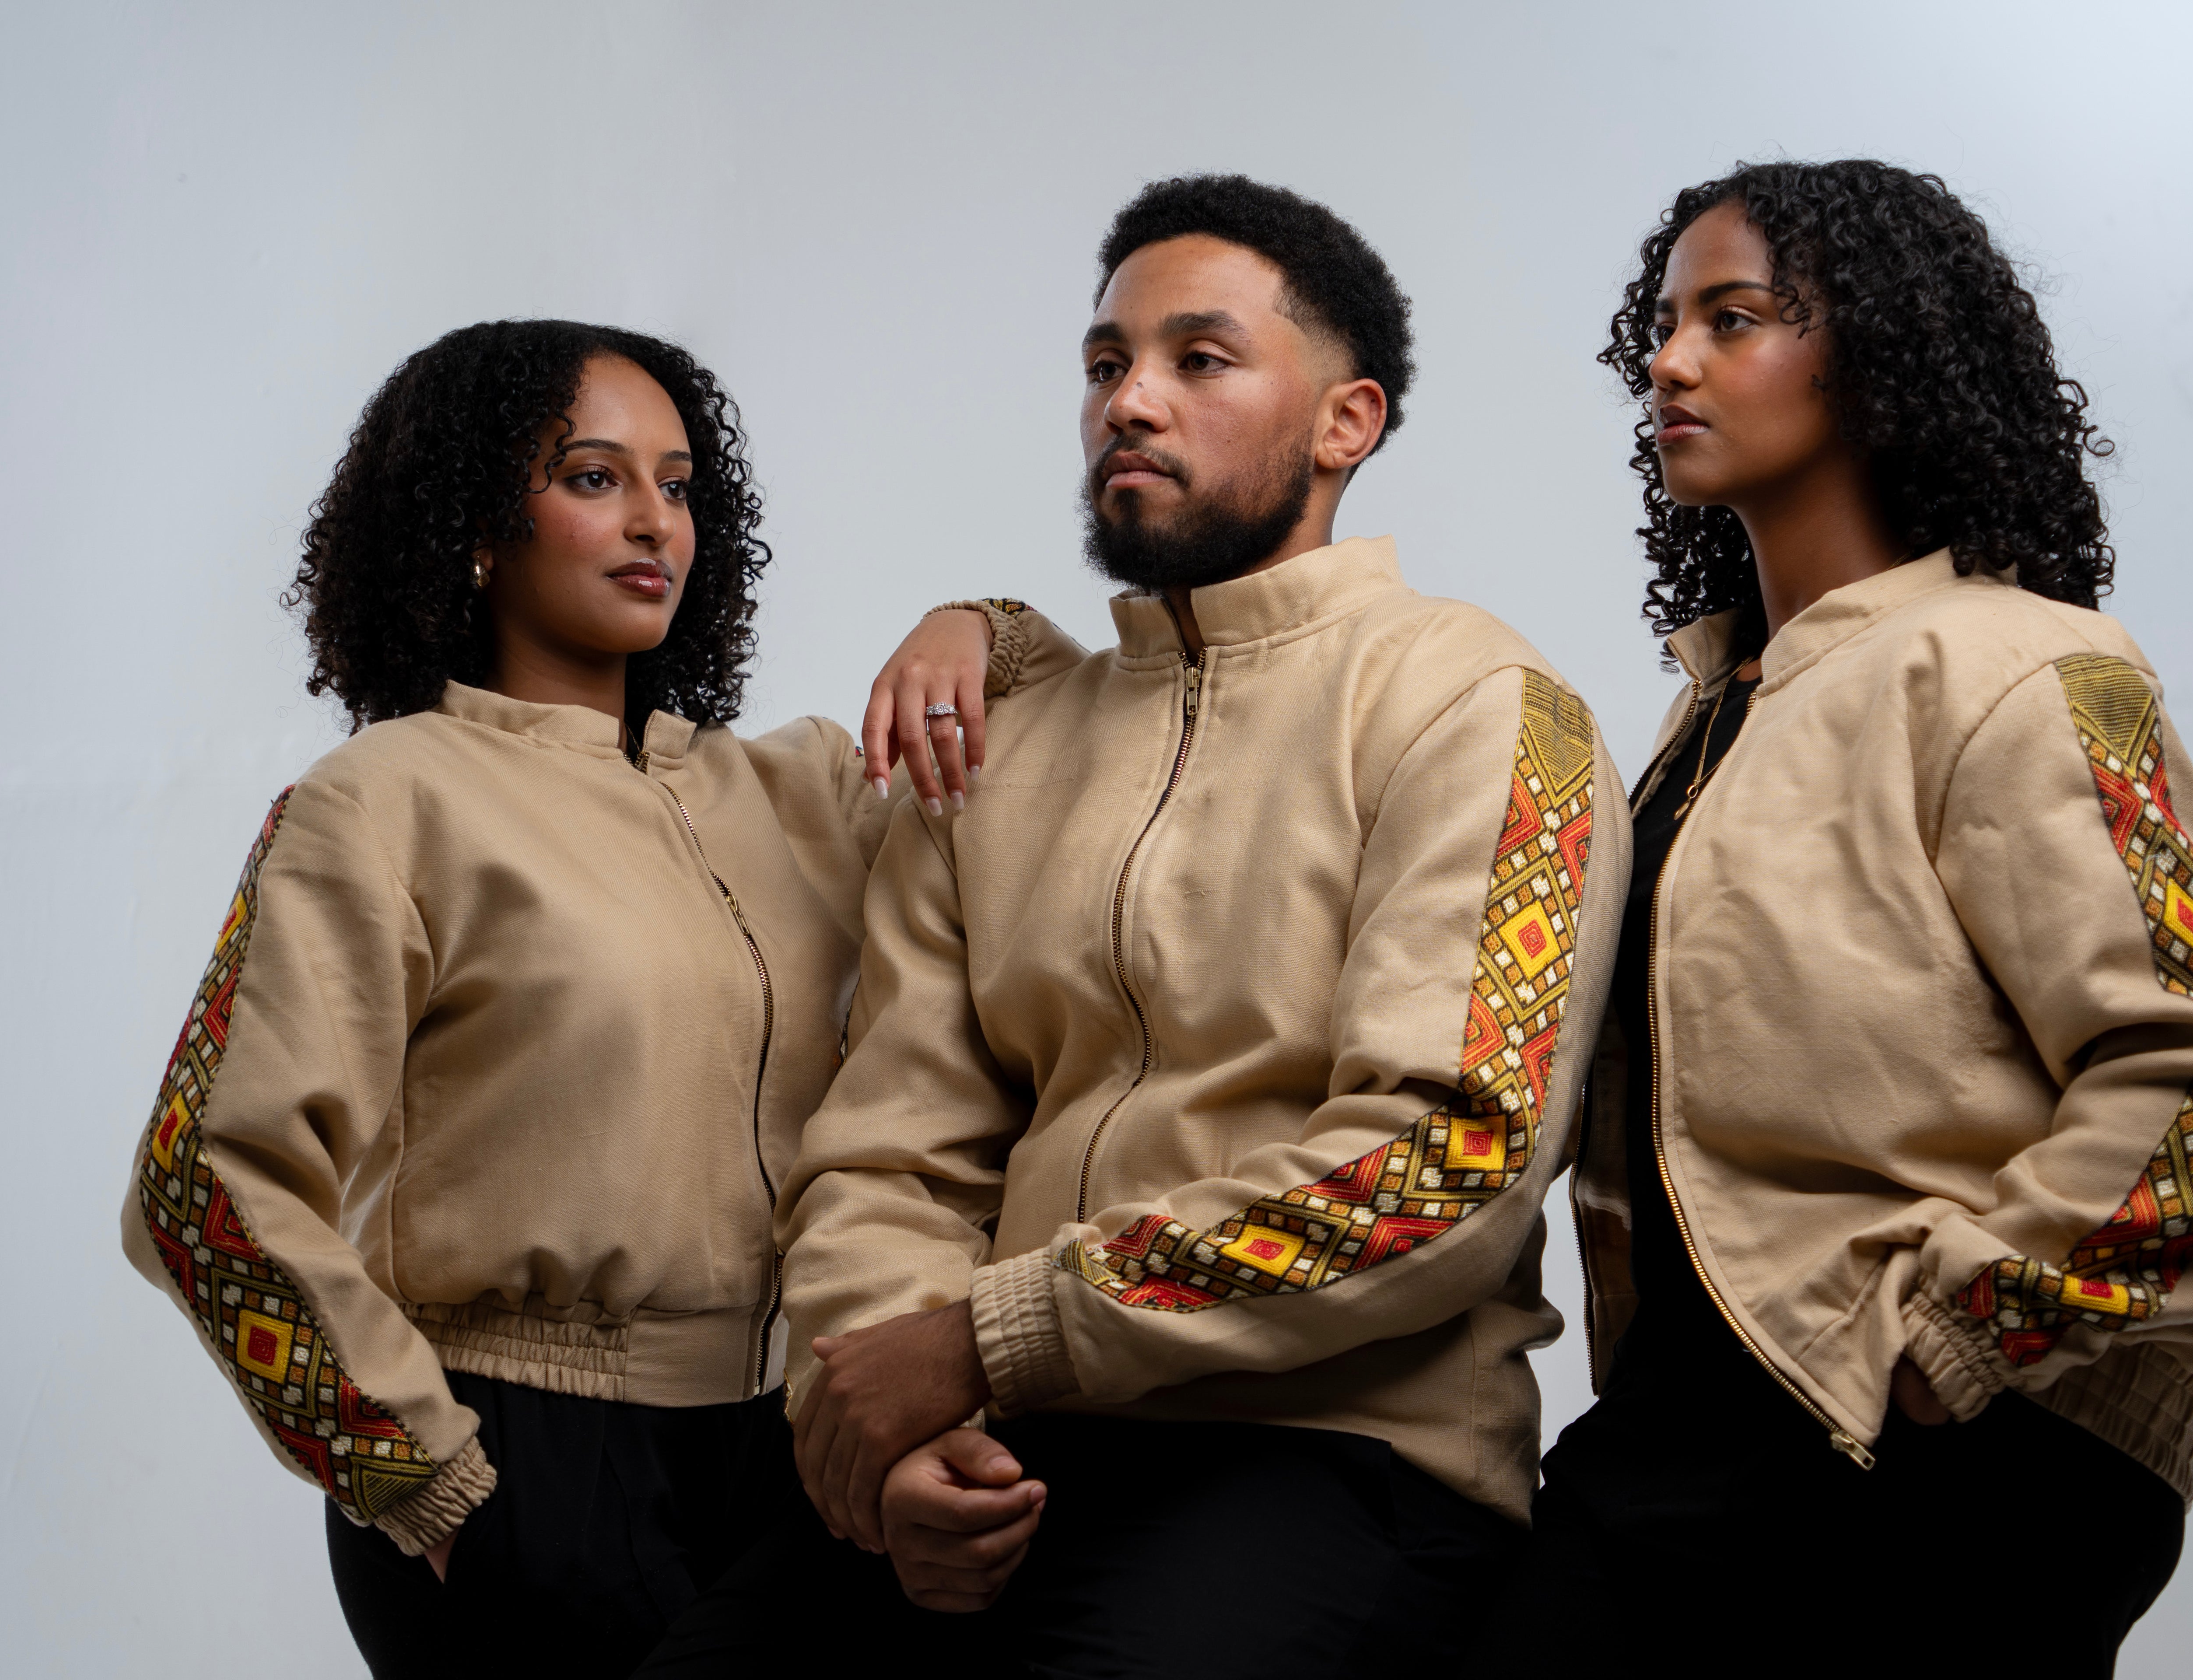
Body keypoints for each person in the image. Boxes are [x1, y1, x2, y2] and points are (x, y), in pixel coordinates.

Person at [638, 175, 1629, 1676]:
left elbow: (1449, 1162)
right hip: (993, 1450)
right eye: (1106, 364)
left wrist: (992, 1336)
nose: (1130, 402)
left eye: (1198, 359)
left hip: (1337, 1455)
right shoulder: (1003, 745)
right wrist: (891, 1434)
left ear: (1347, 422)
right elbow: (893, 1152)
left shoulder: (1488, 709)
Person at [119, 318, 1071, 1678]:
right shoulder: (384, 802)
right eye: (593, 478)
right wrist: (426, 1483)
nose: (652, 523)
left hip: (802, 1451)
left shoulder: (800, 788)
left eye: (677, 486)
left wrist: (976, 623)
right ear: (475, 527)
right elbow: (206, 1182)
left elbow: (1077, 747)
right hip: (527, 1452)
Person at [1519, 161, 2193, 1675]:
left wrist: (1955, 1345)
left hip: (1951, 1450)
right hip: (1701, 1418)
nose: (1669, 363)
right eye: (1664, 325)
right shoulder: (1713, 719)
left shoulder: (2019, 667)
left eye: (1732, 320)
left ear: (1879, 358)